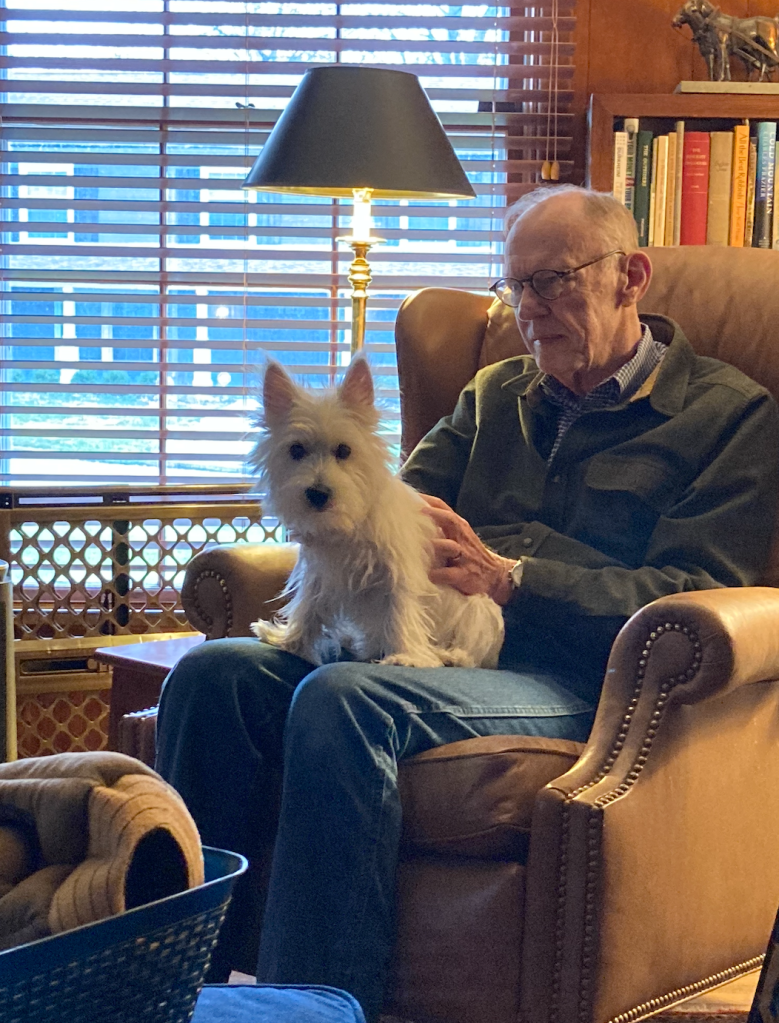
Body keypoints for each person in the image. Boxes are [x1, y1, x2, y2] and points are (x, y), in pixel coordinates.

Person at [155, 185, 779, 1022]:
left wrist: (516, 576)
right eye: (514, 285)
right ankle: (171, 983)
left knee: (347, 697)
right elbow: (387, 510)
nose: (528, 308)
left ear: (630, 277)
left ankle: (320, 1004)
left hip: (583, 679)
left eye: (552, 280)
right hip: (439, 640)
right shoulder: (493, 393)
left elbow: (693, 590)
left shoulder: (728, 416)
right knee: (214, 675)